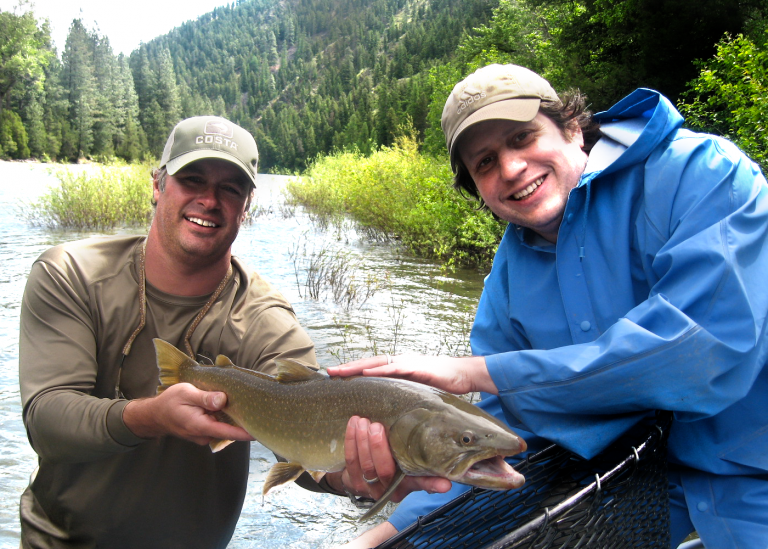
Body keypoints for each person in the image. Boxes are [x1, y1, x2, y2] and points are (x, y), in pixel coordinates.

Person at [329, 64, 768, 549]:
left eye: (522, 137)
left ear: (574, 128)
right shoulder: (508, 278)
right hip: (636, 495)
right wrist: (386, 537)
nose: (511, 168)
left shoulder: (702, 174)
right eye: (485, 164)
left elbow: (700, 353)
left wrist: (477, 373)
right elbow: (507, 441)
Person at [17, 116, 444, 549]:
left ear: (246, 205)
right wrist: (150, 417)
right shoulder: (70, 275)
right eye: (192, 179)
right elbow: (46, 420)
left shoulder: (264, 318)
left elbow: (306, 429)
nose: (209, 199)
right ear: (157, 185)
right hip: (58, 541)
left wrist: (351, 475)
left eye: (230, 188)